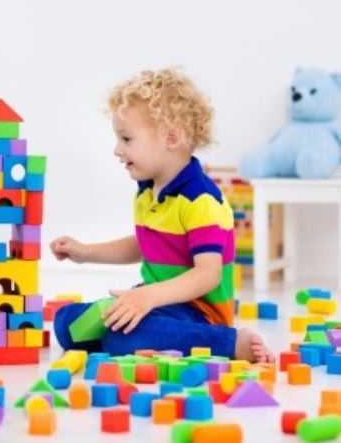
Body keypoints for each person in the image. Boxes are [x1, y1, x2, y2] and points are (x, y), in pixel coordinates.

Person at [50, 68, 274, 363]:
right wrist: (86, 252)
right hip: (158, 303)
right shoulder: (147, 191)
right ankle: (130, 332)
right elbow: (146, 244)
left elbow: (209, 274)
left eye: (127, 139)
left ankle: (229, 343)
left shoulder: (200, 200)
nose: (117, 150)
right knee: (67, 325)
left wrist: (147, 297)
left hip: (198, 313)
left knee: (123, 336)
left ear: (171, 137)